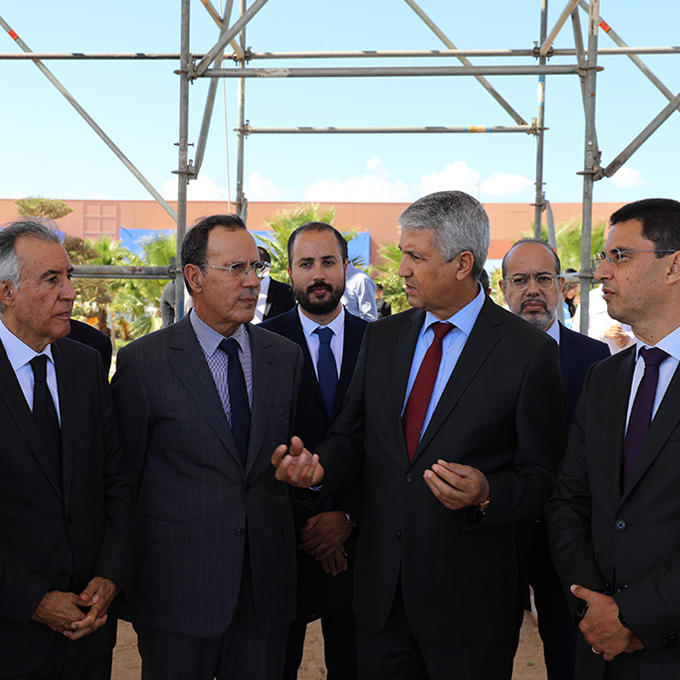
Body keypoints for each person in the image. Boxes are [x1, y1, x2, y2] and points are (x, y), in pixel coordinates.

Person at [273, 191, 566, 680]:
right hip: (381, 601)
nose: (402, 269)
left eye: (415, 256)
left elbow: (545, 478)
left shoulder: (528, 352)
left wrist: (488, 492)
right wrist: (319, 466)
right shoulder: (385, 337)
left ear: (462, 263)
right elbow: (353, 437)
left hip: (469, 606)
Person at [111, 214, 303, 680]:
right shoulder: (144, 363)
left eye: (257, 268)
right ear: (194, 277)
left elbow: (288, 459)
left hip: (265, 594)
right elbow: (122, 479)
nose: (253, 282)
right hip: (176, 592)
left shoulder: (285, 357)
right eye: (235, 269)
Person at [547, 198, 680, 679]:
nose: (600, 271)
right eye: (603, 257)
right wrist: (597, 609)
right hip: (600, 649)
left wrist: (635, 616)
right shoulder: (604, 378)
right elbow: (568, 502)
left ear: (674, 265)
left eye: (619, 256)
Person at [0, 218, 134, 679]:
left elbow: (116, 479)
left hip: (89, 633)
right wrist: (32, 601)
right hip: (11, 636)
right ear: (6, 292)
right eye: (52, 279)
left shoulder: (86, 363)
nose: (70, 292)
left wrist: (110, 576)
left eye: (70, 276)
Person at [261, 221, 367, 680]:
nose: (318, 273)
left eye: (328, 262)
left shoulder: (381, 344)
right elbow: (256, 446)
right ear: (290, 272)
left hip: (362, 546)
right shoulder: (259, 343)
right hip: (284, 545)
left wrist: (346, 518)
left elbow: (386, 447)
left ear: (346, 268)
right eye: (306, 264)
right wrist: (312, 524)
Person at [500, 238, 610, 680]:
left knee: (568, 652)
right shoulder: (478, 356)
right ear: (503, 287)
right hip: (498, 534)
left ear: (561, 285)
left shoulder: (594, 359)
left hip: (567, 539)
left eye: (544, 279)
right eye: (520, 279)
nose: (533, 289)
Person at [251, 246, 297, 324]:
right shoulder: (239, 288)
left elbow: (291, 321)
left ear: (266, 267)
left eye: (257, 266)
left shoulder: (285, 291)